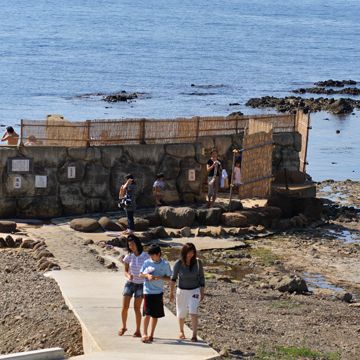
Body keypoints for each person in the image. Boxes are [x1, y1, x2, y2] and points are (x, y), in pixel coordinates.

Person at [170, 243, 205, 342]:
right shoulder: (178, 263)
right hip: (181, 291)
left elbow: (202, 278)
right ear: (184, 252)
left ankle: (194, 334)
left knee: (193, 311)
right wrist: (171, 292)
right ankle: (181, 331)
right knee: (181, 312)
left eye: (193, 252)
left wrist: (202, 292)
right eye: (189, 252)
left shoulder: (198, 263)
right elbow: (173, 279)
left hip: (194, 290)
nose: (191, 254)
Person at [139, 244, 172, 343]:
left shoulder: (165, 264)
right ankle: (144, 333)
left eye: (153, 255)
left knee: (155, 315)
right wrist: (147, 275)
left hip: (158, 292)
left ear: (158, 254)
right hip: (148, 291)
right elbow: (140, 274)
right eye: (150, 255)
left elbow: (169, 278)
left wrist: (160, 277)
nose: (151, 257)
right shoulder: (147, 262)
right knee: (147, 313)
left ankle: (151, 335)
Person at [118, 234, 149, 338]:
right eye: (129, 245)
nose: (131, 246)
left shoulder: (145, 256)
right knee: (124, 307)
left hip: (141, 285)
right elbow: (125, 271)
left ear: (137, 244)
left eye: (132, 244)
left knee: (137, 308)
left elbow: (150, 269)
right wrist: (128, 275)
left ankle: (138, 330)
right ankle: (123, 326)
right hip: (130, 283)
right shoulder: (129, 256)